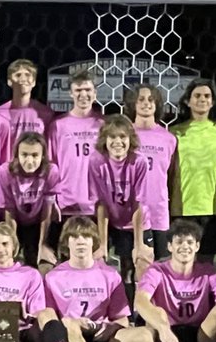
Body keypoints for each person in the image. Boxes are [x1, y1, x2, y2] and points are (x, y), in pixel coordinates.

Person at [35, 217, 153, 342]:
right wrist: (72, 323)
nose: (80, 241)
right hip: (72, 338)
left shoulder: (110, 275)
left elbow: (122, 319)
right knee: (70, 324)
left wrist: (108, 328)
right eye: (74, 237)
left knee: (144, 334)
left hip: (104, 338)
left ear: (94, 242)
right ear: (67, 242)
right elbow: (50, 322)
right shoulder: (53, 277)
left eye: (86, 236)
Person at [89, 115, 154, 289]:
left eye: (122, 137)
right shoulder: (97, 161)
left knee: (141, 264)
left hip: (136, 222)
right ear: (105, 140)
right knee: (101, 262)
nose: (118, 142)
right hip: (112, 221)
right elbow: (101, 204)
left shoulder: (139, 162)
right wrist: (102, 244)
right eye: (112, 137)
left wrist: (138, 245)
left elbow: (138, 204)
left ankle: (140, 306)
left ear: (130, 139)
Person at [169, 78, 216, 263]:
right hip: (181, 208)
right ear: (188, 101)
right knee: (181, 262)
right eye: (197, 96)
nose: (202, 99)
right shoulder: (175, 132)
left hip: (210, 208)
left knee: (206, 264)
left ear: (212, 102)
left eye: (207, 96)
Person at [48, 67, 104, 240]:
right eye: (78, 90)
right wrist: (52, 199)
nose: (83, 94)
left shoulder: (104, 124)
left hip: (97, 204)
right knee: (66, 252)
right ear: (71, 93)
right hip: (67, 203)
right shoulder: (58, 125)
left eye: (87, 90)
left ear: (95, 93)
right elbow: (51, 165)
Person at [126, 82, 178, 261]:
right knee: (130, 264)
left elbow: (170, 175)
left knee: (161, 264)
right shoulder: (125, 134)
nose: (146, 103)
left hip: (158, 212)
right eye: (141, 99)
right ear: (133, 103)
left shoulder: (168, 138)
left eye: (151, 100)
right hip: (131, 212)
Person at [0, 132, 59, 268]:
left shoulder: (51, 171)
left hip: (39, 223)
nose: (29, 161)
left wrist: (43, 244)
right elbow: (9, 210)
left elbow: (47, 210)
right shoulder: (5, 172)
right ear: (17, 155)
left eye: (35, 155)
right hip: (16, 222)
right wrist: (12, 243)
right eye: (24, 155)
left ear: (43, 156)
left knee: (44, 264)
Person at [0, 59, 56, 146]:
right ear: (9, 82)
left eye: (27, 75)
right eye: (18, 75)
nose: (23, 79)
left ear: (34, 82)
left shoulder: (45, 114)